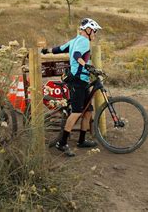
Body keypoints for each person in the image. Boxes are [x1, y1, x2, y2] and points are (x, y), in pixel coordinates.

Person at [41, 18, 102, 157]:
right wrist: (86, 65)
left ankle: (81, 140)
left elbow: (58, 49)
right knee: (76, 112)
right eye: (94, 31)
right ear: (88, 30)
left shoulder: (74, 40)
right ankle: (61, 143)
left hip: (82, 80)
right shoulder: (84, 41)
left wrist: (45, 51)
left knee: (87, 112)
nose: (95, 34)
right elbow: (76, 55)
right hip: (77, 81)